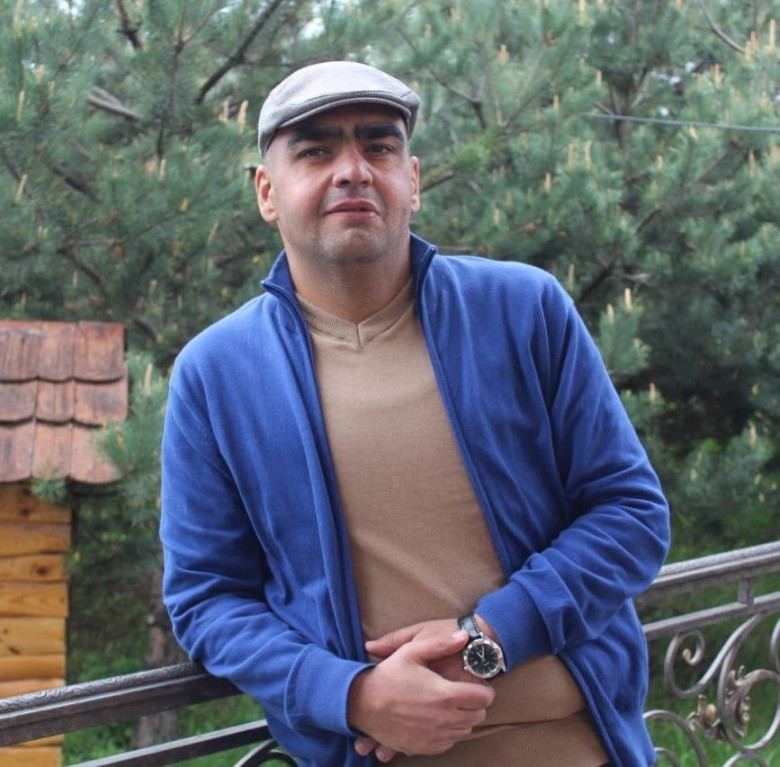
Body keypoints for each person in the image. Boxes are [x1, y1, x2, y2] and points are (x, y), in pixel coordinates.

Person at [160, 61, 670, 767]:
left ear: (413, 179)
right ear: (266, 192)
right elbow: (207, 598)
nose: (353, 170)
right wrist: (352, 694)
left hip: (575, 747)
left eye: (379, 146)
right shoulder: (216, 374)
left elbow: (631, 513)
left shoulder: (524, 311)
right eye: (316, 151)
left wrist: (489, 638)